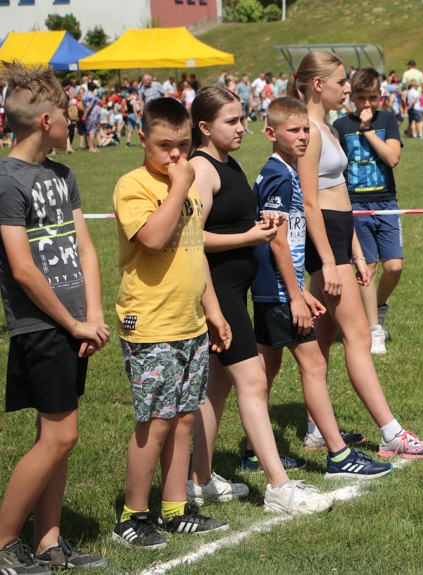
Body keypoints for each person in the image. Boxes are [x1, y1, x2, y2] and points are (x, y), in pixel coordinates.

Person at [186, 86, 332, 515]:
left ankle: (199, 480)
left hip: (233, 290)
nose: (241, 127)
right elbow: (190, 237)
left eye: (242, 119)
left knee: (216, 388)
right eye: (232, 121)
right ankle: (278, 486)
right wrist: (252, 235)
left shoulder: (227, 164)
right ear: (205, 126)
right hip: (218, 293)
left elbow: (232, 220)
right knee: (252, 383)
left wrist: (257, 223)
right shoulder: (201, 168)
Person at [291, 51, 423, 460]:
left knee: (321, 345)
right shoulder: (310, 131)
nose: (348, 88)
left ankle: (315, 429)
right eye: (341, 81)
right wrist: (327, 261)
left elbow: (339, 193)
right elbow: (308, 203)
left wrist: (355, 251)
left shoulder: (330, 129)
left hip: (341, 241)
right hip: (326, 248)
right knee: (357, 337)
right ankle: (392, 433)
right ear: (318, 85)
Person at [0, 63, 110, 573]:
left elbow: (84, 248)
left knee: (59, 437)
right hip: (42, 327)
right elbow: (22, 269)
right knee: (61, 436)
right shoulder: (7, 180)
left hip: (75, 323)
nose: (74, 119)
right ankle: (3, 544)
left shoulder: (63, 176)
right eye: (67, 112)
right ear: (46, 120)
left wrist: (92, 314)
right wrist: (71, 324)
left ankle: (49, 542)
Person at [111, 97, 232, 549]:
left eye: (183, 146)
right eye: (165, 146)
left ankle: (176, 507)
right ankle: (132, 514)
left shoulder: (187, 187)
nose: (176, 156)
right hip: (151, 326)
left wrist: (214, 311)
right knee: (155, 422)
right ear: (143, 139)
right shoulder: (134, 185)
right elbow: (156, 239)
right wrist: (179, 187)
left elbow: (194, 251)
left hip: (189, 323)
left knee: (184, 418)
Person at [252, 96, 393, 479]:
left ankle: (253, 450)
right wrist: (296, 293)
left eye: (304, 130)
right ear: (270, 133)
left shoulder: (283, 172)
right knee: (313, 364)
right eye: (294, 131)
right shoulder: (281, 176)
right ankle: (338, 456)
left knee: (265, 368)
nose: (303, 137)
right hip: (280, 292)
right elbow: (278, 241)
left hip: (276, 288)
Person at [334, 68, 404, 355]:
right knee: (368, 268)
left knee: (394, 266)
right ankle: (374, 329)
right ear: (351, 96)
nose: (366, 105)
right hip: (355, 205)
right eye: (361, 98)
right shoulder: (339, 125)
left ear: (380, 96)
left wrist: (366, 130)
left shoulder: (388, 120)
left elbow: (392, 158)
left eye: (372, 98)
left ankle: (377, 306)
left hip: (386, 202)